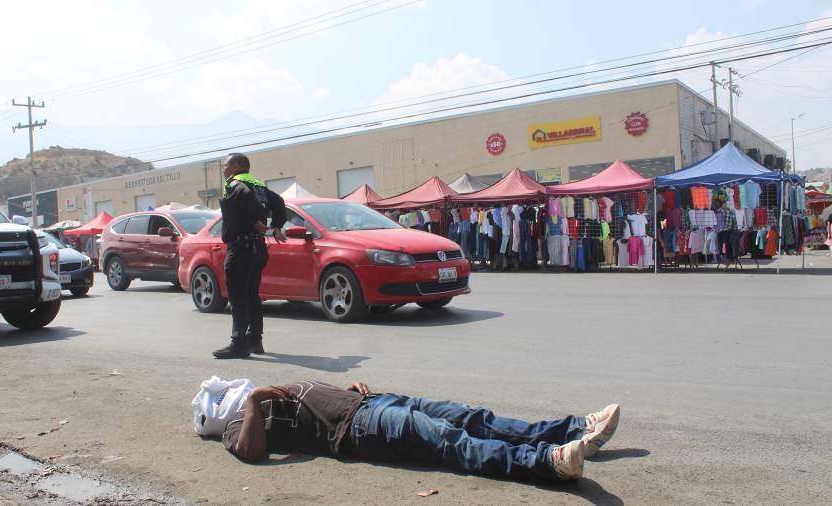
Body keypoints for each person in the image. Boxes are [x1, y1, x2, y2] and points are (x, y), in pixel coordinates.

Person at [222, 380, 620, 482]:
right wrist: (254, 402)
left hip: (374, 403)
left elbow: (313, 404)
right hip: (362, 428)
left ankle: (573, 431)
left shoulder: (265, 394)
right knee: (452, 442)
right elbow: (250, 452)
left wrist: (347, 390)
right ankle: (548, 463)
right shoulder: (240, 421)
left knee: (471, 417)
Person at [213, 153, 287, 359]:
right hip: (258, 249)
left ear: (237, 166)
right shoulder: (259, 186)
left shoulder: (238, 185)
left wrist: (256, 221)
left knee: (237, 297)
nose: (224, 169)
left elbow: (245, 198)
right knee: (251, 296)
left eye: (226, 165)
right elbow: (280, 202)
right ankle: (255, 340)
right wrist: (276, 226)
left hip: (241, 249)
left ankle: (238, 344)